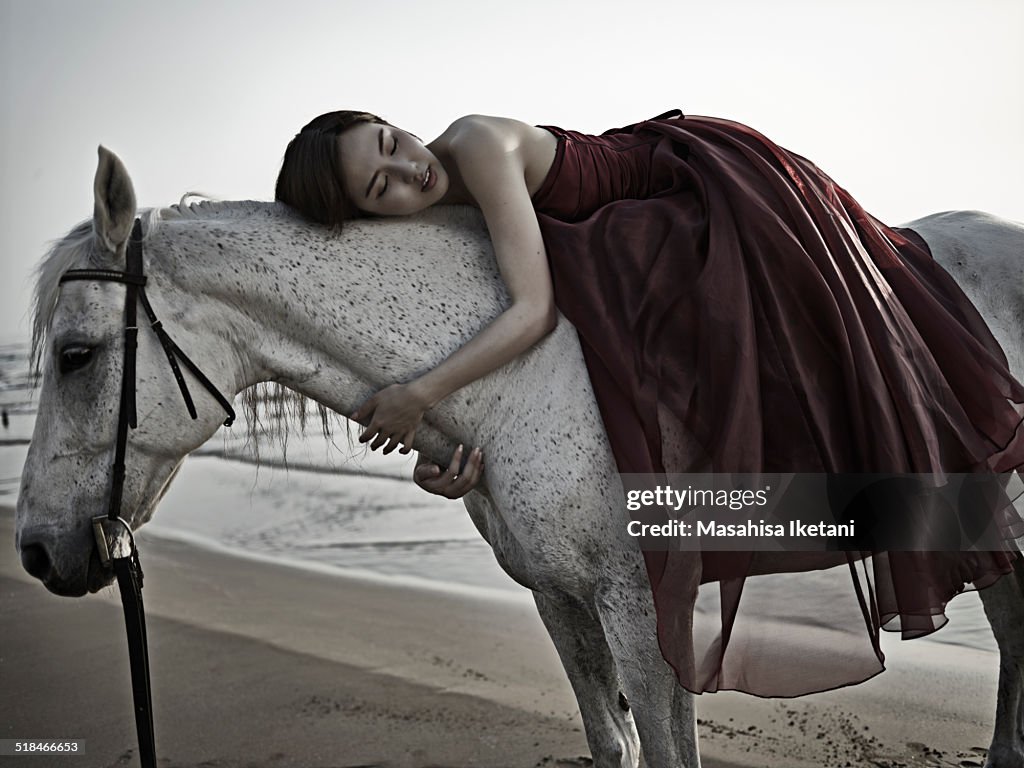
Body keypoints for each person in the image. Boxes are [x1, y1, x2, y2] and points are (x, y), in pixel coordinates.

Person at [276, 109, 1024, 695]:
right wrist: (450, 458)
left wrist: (420, 393)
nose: (410, 165)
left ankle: (905, 492)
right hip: (628, 242)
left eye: (390, 139)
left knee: (768, 354)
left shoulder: (473, 144)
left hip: (693, 189)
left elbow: (532, 312)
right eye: (384, 187)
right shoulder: (439, 223)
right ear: (374, 218)